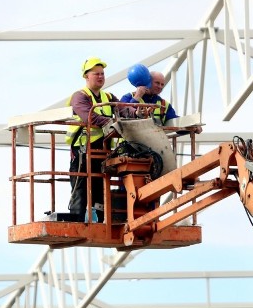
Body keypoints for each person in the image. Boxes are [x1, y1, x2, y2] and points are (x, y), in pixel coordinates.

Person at [64, 57, 136, 221]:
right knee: (80, 184)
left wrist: (136, 112)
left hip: (102, 150)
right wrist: (112, 123)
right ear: (86, 76)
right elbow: (90, 117)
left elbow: (123, 110)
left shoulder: (108, 96)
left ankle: (101, 219)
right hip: (83, 149)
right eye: (96, 74)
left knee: (99, 185)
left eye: (102, 74)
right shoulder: (80, 96)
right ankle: (77, 218)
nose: (100, 76)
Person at [119, 71, 203, 134]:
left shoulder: (164, 104)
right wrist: (137, 97)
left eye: (162, 84)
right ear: (148, 82)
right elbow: (122, 112)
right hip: (130, 146)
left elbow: (174, 124)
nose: (160, 87)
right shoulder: (128, 97)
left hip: (154, 147)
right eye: (157, 83)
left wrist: (192, 127)